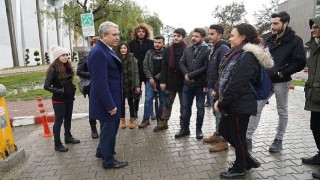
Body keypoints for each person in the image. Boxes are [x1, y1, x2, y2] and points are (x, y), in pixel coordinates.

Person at [214, 23, 273, 179]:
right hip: (235, 102)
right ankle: (247, 159)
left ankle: (240, 167)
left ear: (243, 37)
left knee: (238, 136)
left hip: (241, 104)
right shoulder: (237, 53)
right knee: (225, 131)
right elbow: (225, 76)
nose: (230, 38)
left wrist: (221, 103)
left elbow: (236, 83)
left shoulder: (248, 56)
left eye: (233, 35)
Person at [246, 11, 306, 152]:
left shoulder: (295, 41)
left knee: (282, 110)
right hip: (265, 81)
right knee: (256, 107)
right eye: (271, 23)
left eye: (276, 23)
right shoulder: (269, 39)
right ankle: (247, 138)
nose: (272, 26)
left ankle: (278, 140)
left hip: (282, 81)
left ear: (285, 23)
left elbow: (300, 62)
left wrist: (282, 72)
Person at [87, 21, 128, 169]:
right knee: (109, 131)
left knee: (107, 129)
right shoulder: (99, 52)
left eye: (118, 34)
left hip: (111, 97)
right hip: (107, 100)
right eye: (114, 34)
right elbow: (100, 83)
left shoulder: (105, 48)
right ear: (104, 35)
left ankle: (101, 151)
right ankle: (108, 160)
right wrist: (110, 105)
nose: (118, 37)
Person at [175, 28, 210, 139]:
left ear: (203, 38)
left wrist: (191, 75)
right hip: (187, 85)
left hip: (200, 85)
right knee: (186, 107)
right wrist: (186, 74)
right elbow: (181, 62)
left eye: (197, 36)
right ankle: (185, 129)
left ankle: (198, 130)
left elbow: (206, 67)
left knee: (200, 108)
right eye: (193, 36)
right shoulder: (188, 49)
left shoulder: (208, 50)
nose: (194, 38)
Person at [44, 45, 80, 152]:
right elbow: (46, 85)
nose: (66, 57)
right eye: (63, 55)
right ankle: (57, 144)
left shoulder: (67, 67)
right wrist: (59, 91)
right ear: (57, 56)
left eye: (67, 55)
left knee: (68, 119)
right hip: (59, 100)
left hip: (69, 98)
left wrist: (72, 87)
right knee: (58, 122)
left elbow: (67, 80)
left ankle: (68, 137)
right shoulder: (53, 69)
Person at [202, 24, 230, 152]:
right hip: (212, 86)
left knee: (220, 114)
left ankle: (223, 141)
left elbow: (223, 72)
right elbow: (211, 69)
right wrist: (207, 85)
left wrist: (217, 89)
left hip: (218, 88)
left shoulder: (223, 49)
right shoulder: (214, 48)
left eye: (212, 34)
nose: (209, 36)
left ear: (220, 35)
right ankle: (217, 134)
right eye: (209, 34)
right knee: (215, 113)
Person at [157, 28, 188, 132]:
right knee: (167, 103)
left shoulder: (187, 49)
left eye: (178, 36)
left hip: (184, 82)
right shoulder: (168, 50)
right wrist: (162, 81)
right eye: (174, 35)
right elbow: (164, 66)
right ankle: (163, 123)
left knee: (184, 105)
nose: (175, 38)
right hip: (170, 82)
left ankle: (183, 126)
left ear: (183, 37)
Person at [301, 16, 320, 180]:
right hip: (315, 97)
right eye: (311, 27)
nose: (312, 29)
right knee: (315, 128)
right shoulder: (314, 47)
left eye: (316, 26)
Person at [139, 35, 165, 128]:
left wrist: (157, 78)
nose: (157, 44)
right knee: (148, 99)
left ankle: (161, 120)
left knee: (162, 100)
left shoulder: (166, 53)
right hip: (150, 81)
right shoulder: (149, 52)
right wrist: (150, 78)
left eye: (159, 42)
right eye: (155, 42)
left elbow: (166, 68)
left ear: (163, 43)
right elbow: (145, 66)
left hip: (162, 81)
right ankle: (146, 119)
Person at [129, 23, 154, 119]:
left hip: (148, 71)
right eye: (139, 31)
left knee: (150, 93)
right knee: (136, 93)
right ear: (136, 32)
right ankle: (135, 111)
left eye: (143, 31)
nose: (141, 33)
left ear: (146, 33)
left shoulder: (151, 43)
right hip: (136, 72)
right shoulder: (131, 44)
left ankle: (151, 111)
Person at [76, 36, 99, 139]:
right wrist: (92, 74)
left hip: (102, 85)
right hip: (91, 86)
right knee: (93, 106)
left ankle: (104, 126)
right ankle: (93, 128)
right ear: (91, 46)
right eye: (95, 45)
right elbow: (79, 71)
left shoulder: (103, 57)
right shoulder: (84, 58)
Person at [116, 42, 140, 129]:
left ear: (127, 49)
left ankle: (132, 119)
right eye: (121, 48)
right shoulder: (116, 58)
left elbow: (136, 72)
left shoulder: (132, 58)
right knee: (121, 103)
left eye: (125, 48)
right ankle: (122, 120)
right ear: (119, 49)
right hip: (120, 84)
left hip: (130, 83)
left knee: (131, 103)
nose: (123, 50)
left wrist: (137, 85)